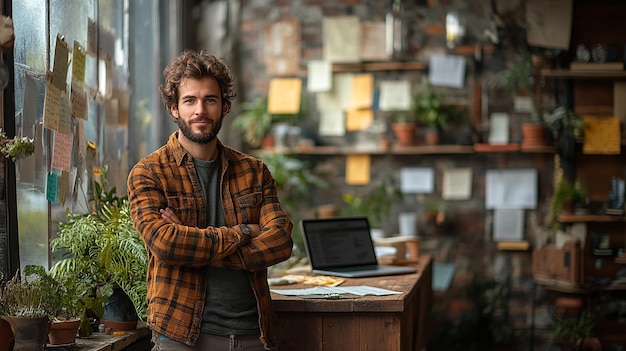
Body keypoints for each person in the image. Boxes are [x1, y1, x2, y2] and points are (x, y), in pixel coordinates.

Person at [127, 49, 293, 351]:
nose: (200, 110)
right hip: (180, 336)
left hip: (253, 336)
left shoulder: (254, 171)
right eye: (190, 100)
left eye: (210, 100)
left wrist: (198, 248)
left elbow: (280, 241)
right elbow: (166, 243)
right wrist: (243, 233)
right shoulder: (149, 172)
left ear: (225, 106)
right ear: (173, 108)